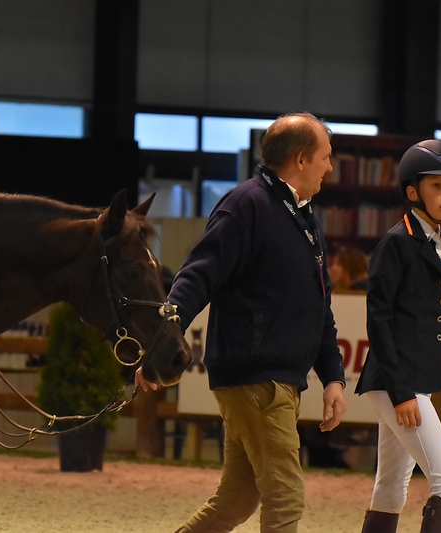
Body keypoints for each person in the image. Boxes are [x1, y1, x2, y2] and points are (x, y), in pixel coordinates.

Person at [137, 112, 347, 532]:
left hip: (269, 381)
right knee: (286, 500)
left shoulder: (304, 218)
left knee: (235, 501)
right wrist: (161, 345)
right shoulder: (245, 205)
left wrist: (334, 378)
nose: (330, 166)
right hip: (258, 381)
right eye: (326, 156)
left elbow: (319, 307)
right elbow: (197, 276)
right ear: (301, 159)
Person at [355, 140, 441, 533]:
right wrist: (403, 392)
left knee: (390, 486)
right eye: (437, 186)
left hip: (410, 382)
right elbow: (379, 321)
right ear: (412, 192)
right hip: (397, 382)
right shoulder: (396, 242)